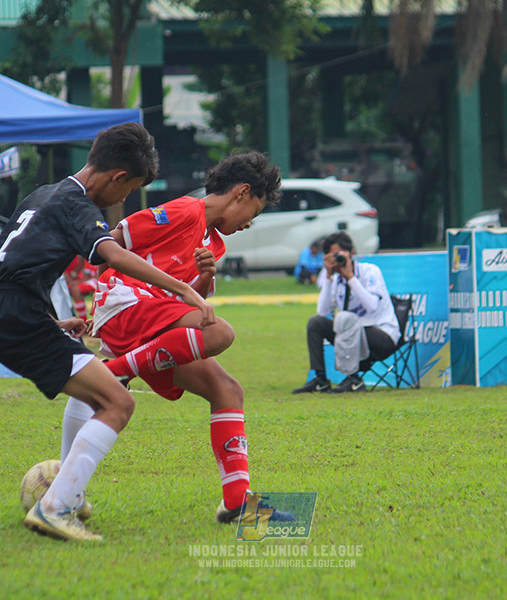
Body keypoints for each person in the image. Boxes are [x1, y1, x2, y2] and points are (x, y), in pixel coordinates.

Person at [0, 122, 215, 542]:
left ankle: (70, 495)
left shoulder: (43, 193)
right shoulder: (78, 205)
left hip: (4, 311)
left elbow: (14, 261)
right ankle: (55, 507)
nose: (122, 200)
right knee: (117, 402)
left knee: (102, 390)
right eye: (127, 191)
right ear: (117, 177)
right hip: (16, 317)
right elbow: (111, 256)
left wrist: (51, 320)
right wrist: (182, 288)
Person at [88, 151, 293, 524]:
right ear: (242, 193)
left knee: (228, 390)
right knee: (220, 332)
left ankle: (239, 502)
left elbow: (182, 299)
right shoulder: (184, 211)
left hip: (155, 325)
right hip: (125, 306)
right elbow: (109, 244)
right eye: (255, 213)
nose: (250, 223)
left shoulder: (215, 244)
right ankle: (116, 370)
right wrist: (100, 297)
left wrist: (202, 278)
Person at [294, 231, 400, 393]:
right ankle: (320, 379)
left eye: (338, 254)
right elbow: (322, 311)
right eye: (330, 256)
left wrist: (350, 277)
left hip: (382, 335)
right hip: (350, 334)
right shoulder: (335, 278)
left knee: (346, 320)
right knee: (316, 322)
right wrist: (329, 277)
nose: (336, 259)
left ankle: (354, 380)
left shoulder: (370, 271)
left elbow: (371, 306)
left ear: (351, 253)